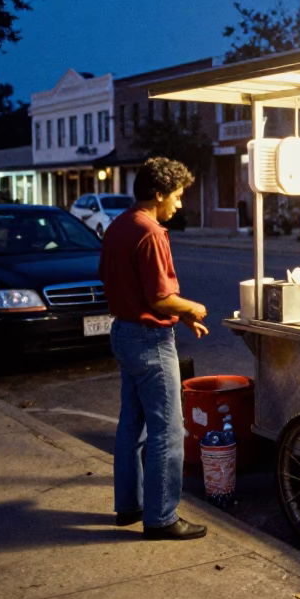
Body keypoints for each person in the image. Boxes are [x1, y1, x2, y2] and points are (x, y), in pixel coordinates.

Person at [100, 157, 209, 541]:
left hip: (124, 334)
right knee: (168, 429)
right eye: (176, 197)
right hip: (149, 341)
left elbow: (129, 287)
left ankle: (128, 506)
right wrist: (191, 307)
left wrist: (179, 316)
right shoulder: (151, 232)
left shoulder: (119, 226)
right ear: (158, 194)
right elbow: (161, 297)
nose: (179, 205)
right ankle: (161, 517)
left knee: (132, 424)